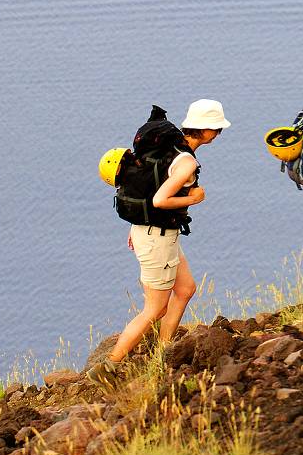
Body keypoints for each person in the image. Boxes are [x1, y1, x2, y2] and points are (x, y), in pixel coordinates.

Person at [87, 99, 230, 387]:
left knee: (186, 289)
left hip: (155, 233)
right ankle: (109, 367)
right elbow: (159, 199)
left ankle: (163, 354)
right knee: (155, 309)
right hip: (157, 238)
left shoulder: (170, 146)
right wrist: (194, 198)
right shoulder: (186, 160)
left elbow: (149, 187)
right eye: (216, 129)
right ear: (205, 130)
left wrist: (137, 224)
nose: (218, 134)